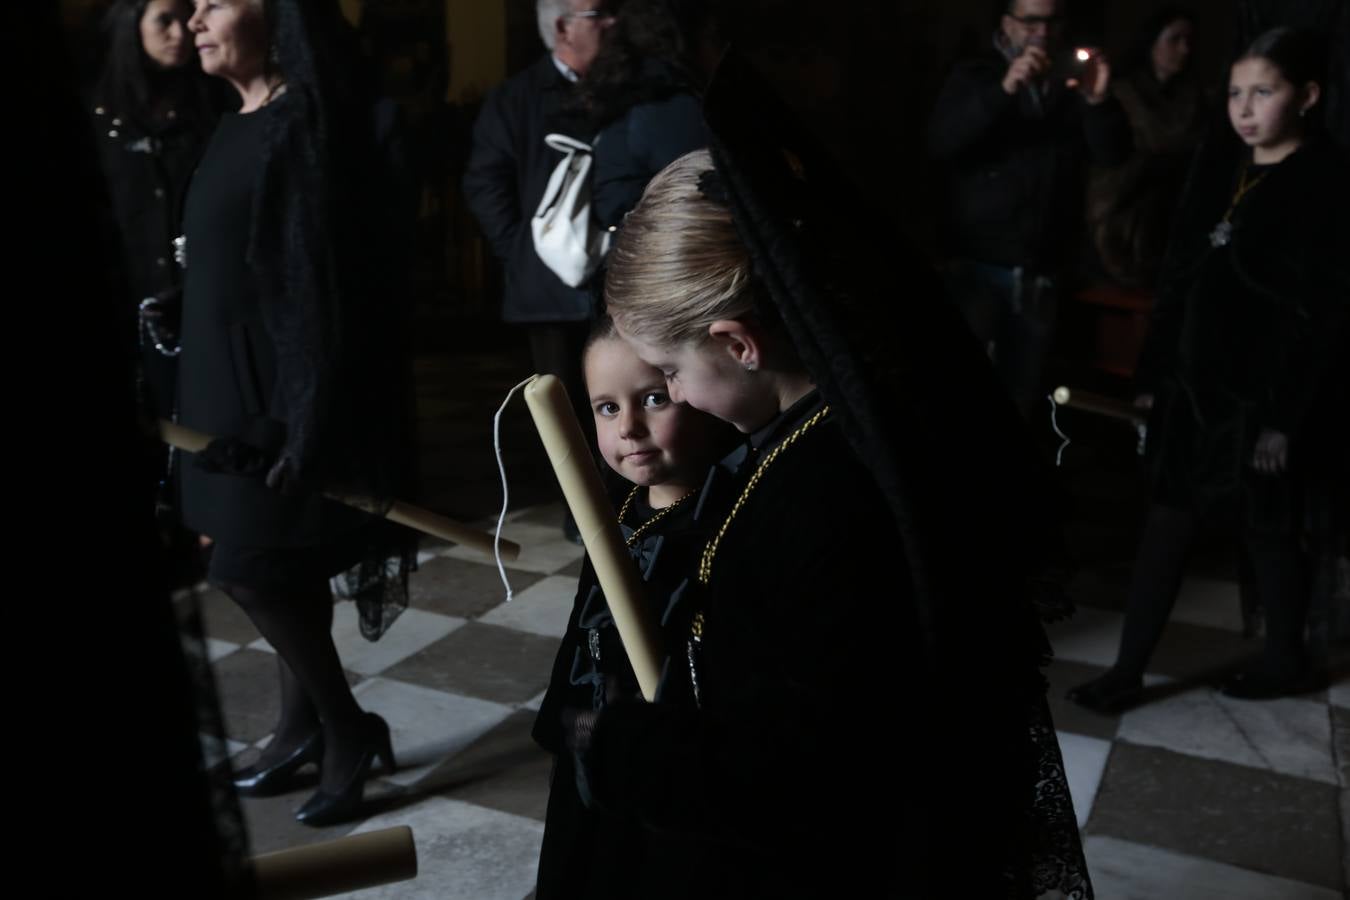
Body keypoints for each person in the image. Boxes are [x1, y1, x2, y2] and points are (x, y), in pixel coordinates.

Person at [574, 52, 1093, 898]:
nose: (674, 397)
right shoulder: (818, 435)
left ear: (741, 344)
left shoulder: (831, 495)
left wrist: (633, 752)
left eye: (669, 373)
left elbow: (815, 774)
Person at [178, 0, 413, 826]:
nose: (194, 16)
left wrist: (297, 421)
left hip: (276, 402)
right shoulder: (238, 117)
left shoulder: (303, 126)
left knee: (246, 567)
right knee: (283, 566)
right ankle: (297, 727)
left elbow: (319, 294)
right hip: (224, 384)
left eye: (215, 1)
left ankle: (349, 730)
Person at [1068, 27, 1348, 713]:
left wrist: (1283, 419)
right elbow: (1179, 279)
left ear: (1307, 96)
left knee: (1269, 530)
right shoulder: (1220, 163)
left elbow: (1324, 315)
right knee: (1166, 525)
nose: (1245, 108)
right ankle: (1128, 669)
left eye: (1264, 92)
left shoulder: (1326, 183)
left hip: (1262, 400)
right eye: (1235, 93)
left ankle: (1287, 658)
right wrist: (1153, 373)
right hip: (1192, 393)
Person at [534, 317, 737, 898]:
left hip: (668, 764)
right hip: (598, 746)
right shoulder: (617, 511)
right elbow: (586, 629)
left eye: (653, 398)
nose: (630, 428)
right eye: (605, 408)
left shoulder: (719, 525)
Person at [928, 0, 1132, 416]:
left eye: (1053, 20)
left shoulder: (1070, 84)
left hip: (1040, 268)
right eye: (1031, 20)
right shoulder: (976, 74)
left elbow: (1114, 155)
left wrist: (1099, 102)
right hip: (977, 265)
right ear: (1007, 24)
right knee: (960, 393)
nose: (1043, 30)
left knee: (1020, 394)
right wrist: (1003, 91)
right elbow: (943, 143)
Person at [462, 0, 616, 540]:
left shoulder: (625, 87)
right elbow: (486, 184)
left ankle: (634, 503)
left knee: (630, 394)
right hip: (549, 291)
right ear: (561, 26)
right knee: (566, 405)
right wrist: (527, 253)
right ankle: (585, 519)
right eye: (599, 12)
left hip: (618, 280)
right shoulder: (516, 99)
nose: (613, 23)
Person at [1085, 6, 1207, 289]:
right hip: (1120, 217)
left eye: (1189, 41)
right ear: (1152, 42)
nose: (1184, 49)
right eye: (1174, 40)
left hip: (1171, 218)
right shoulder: (1122, 93)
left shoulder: (1193, 99)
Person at [573, 0, 709, 232]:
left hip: (630, 246)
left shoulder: (620, 91)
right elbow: (701, 186)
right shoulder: (666, 104)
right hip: (662, 249)